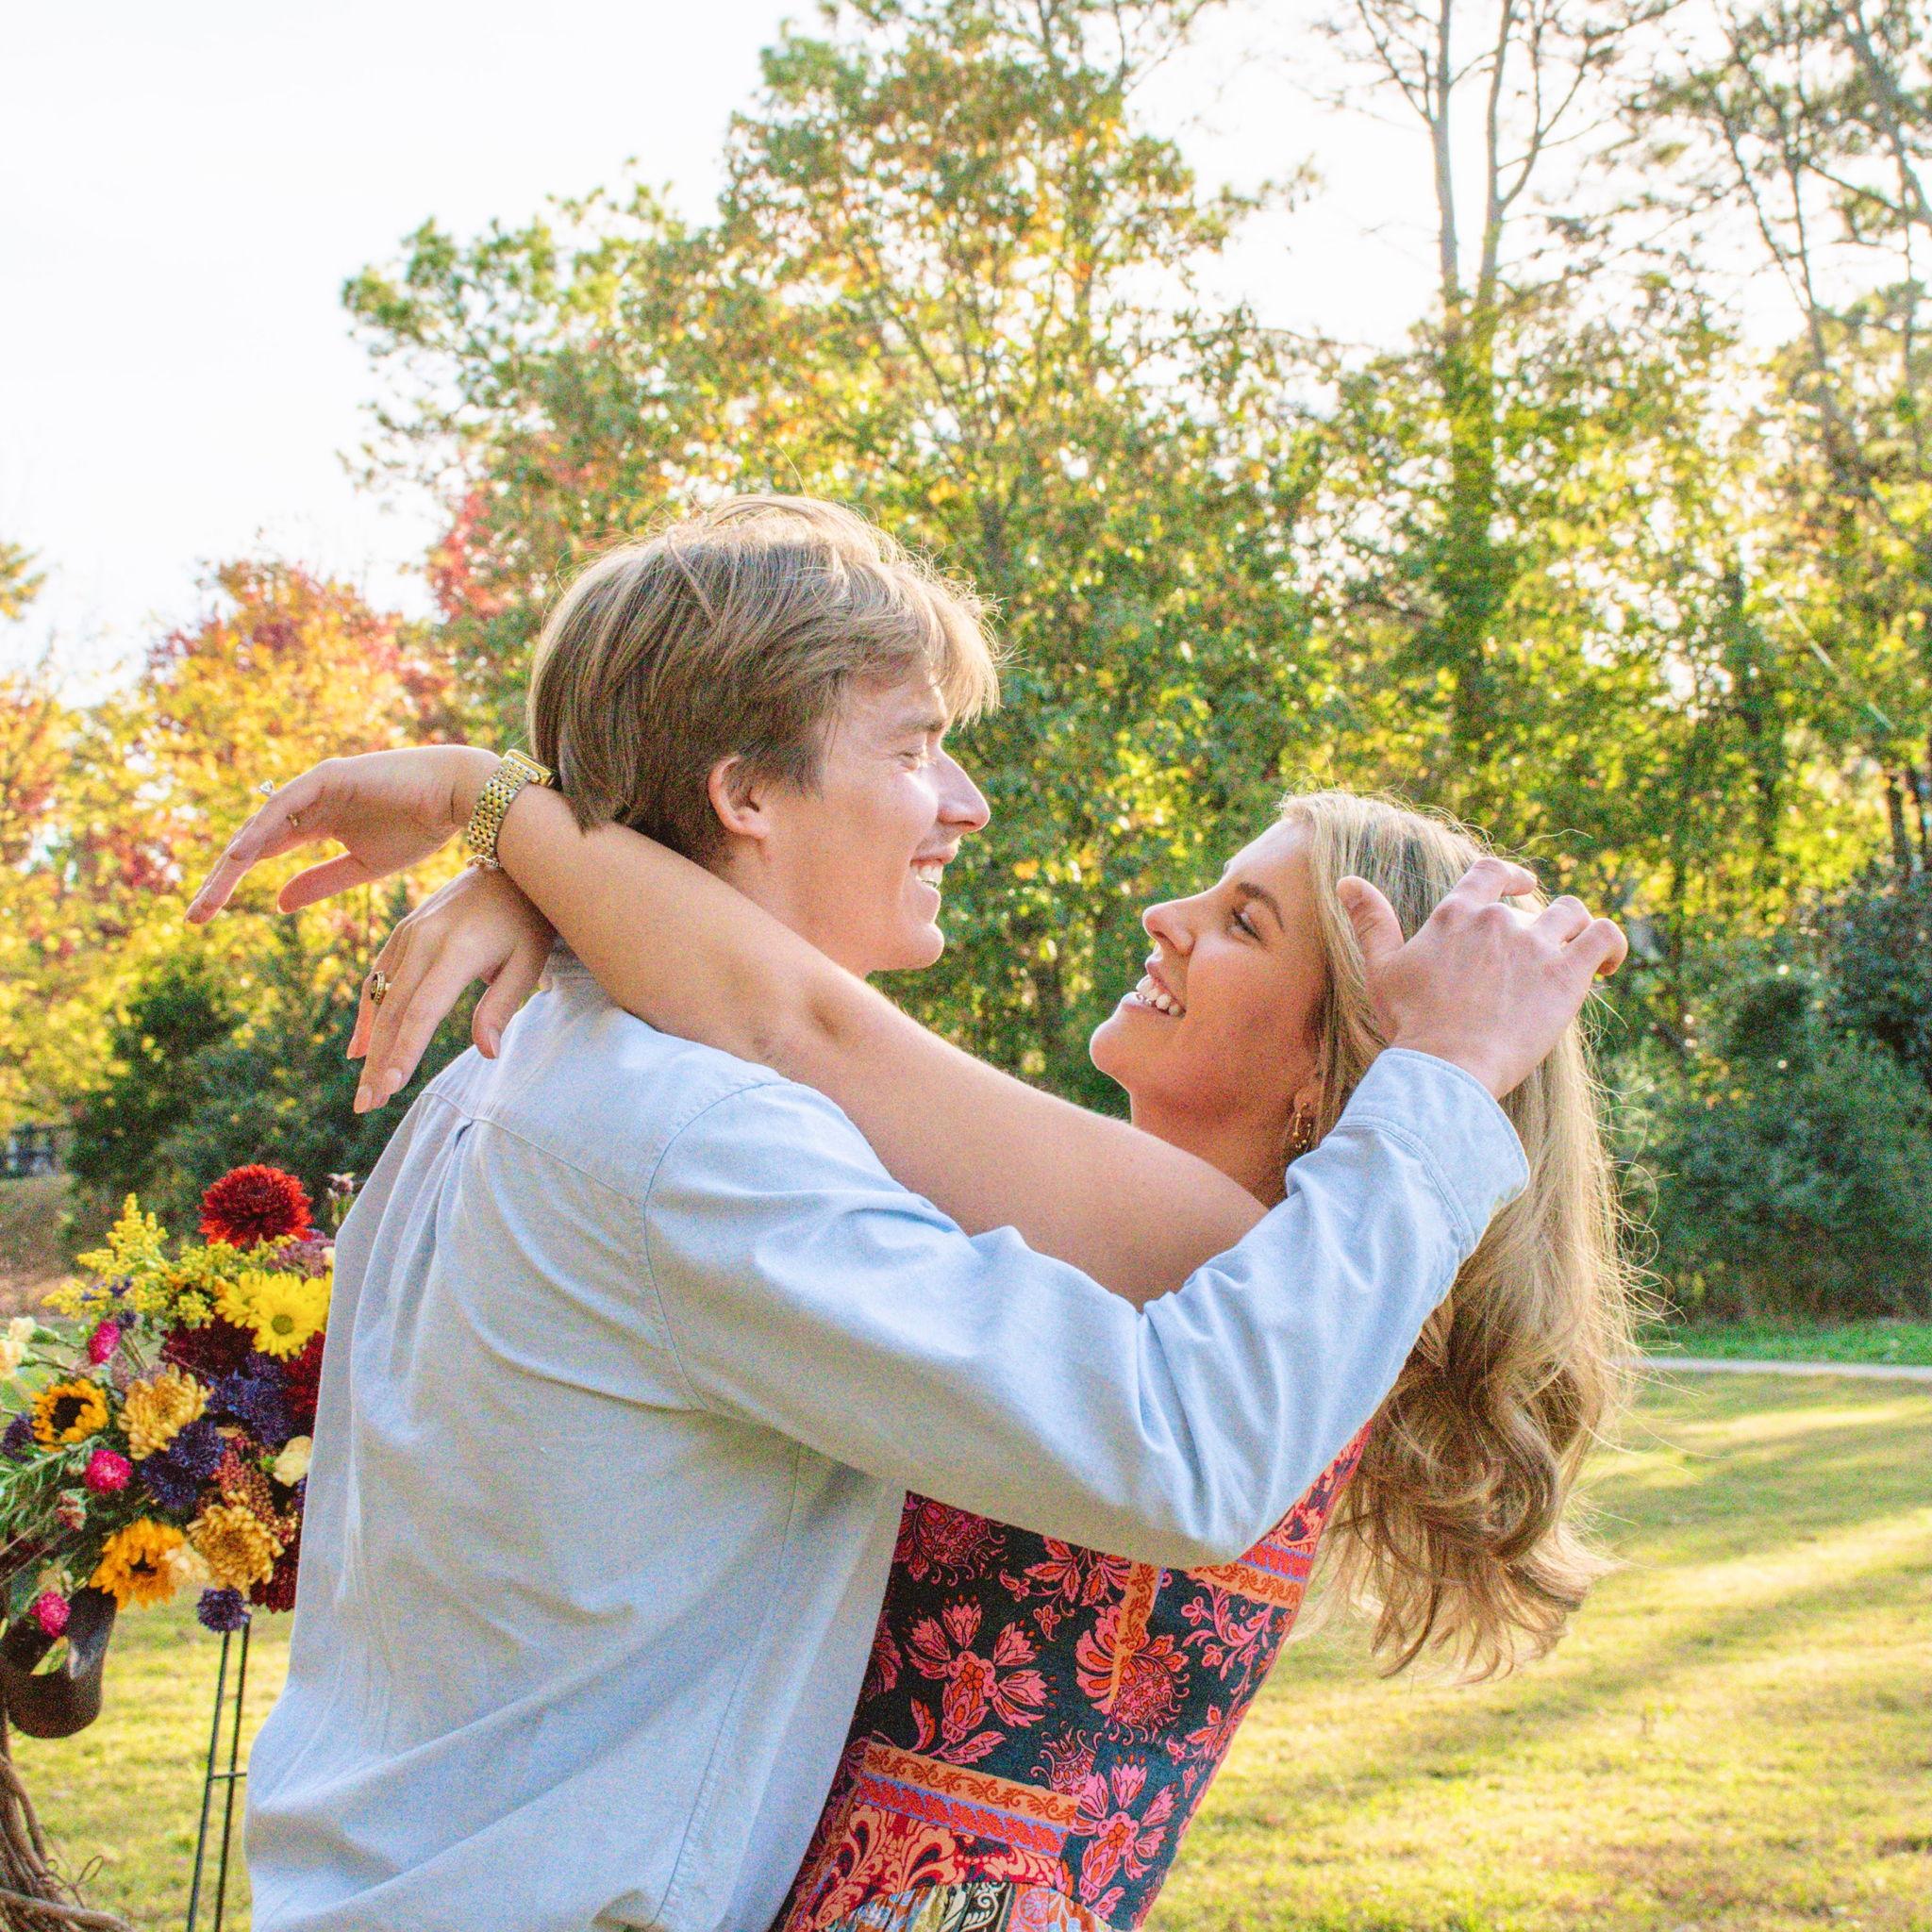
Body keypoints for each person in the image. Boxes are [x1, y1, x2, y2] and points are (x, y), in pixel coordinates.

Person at [187, 496, 1625, 1932]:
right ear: (748, 795)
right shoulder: (708, 1139)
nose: (967, 802)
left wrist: (517, 833)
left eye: (1246, 920)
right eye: (914, 748)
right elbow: (794, 1032)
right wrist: (519, 841)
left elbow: (801, 1027)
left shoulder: (514, 1079)